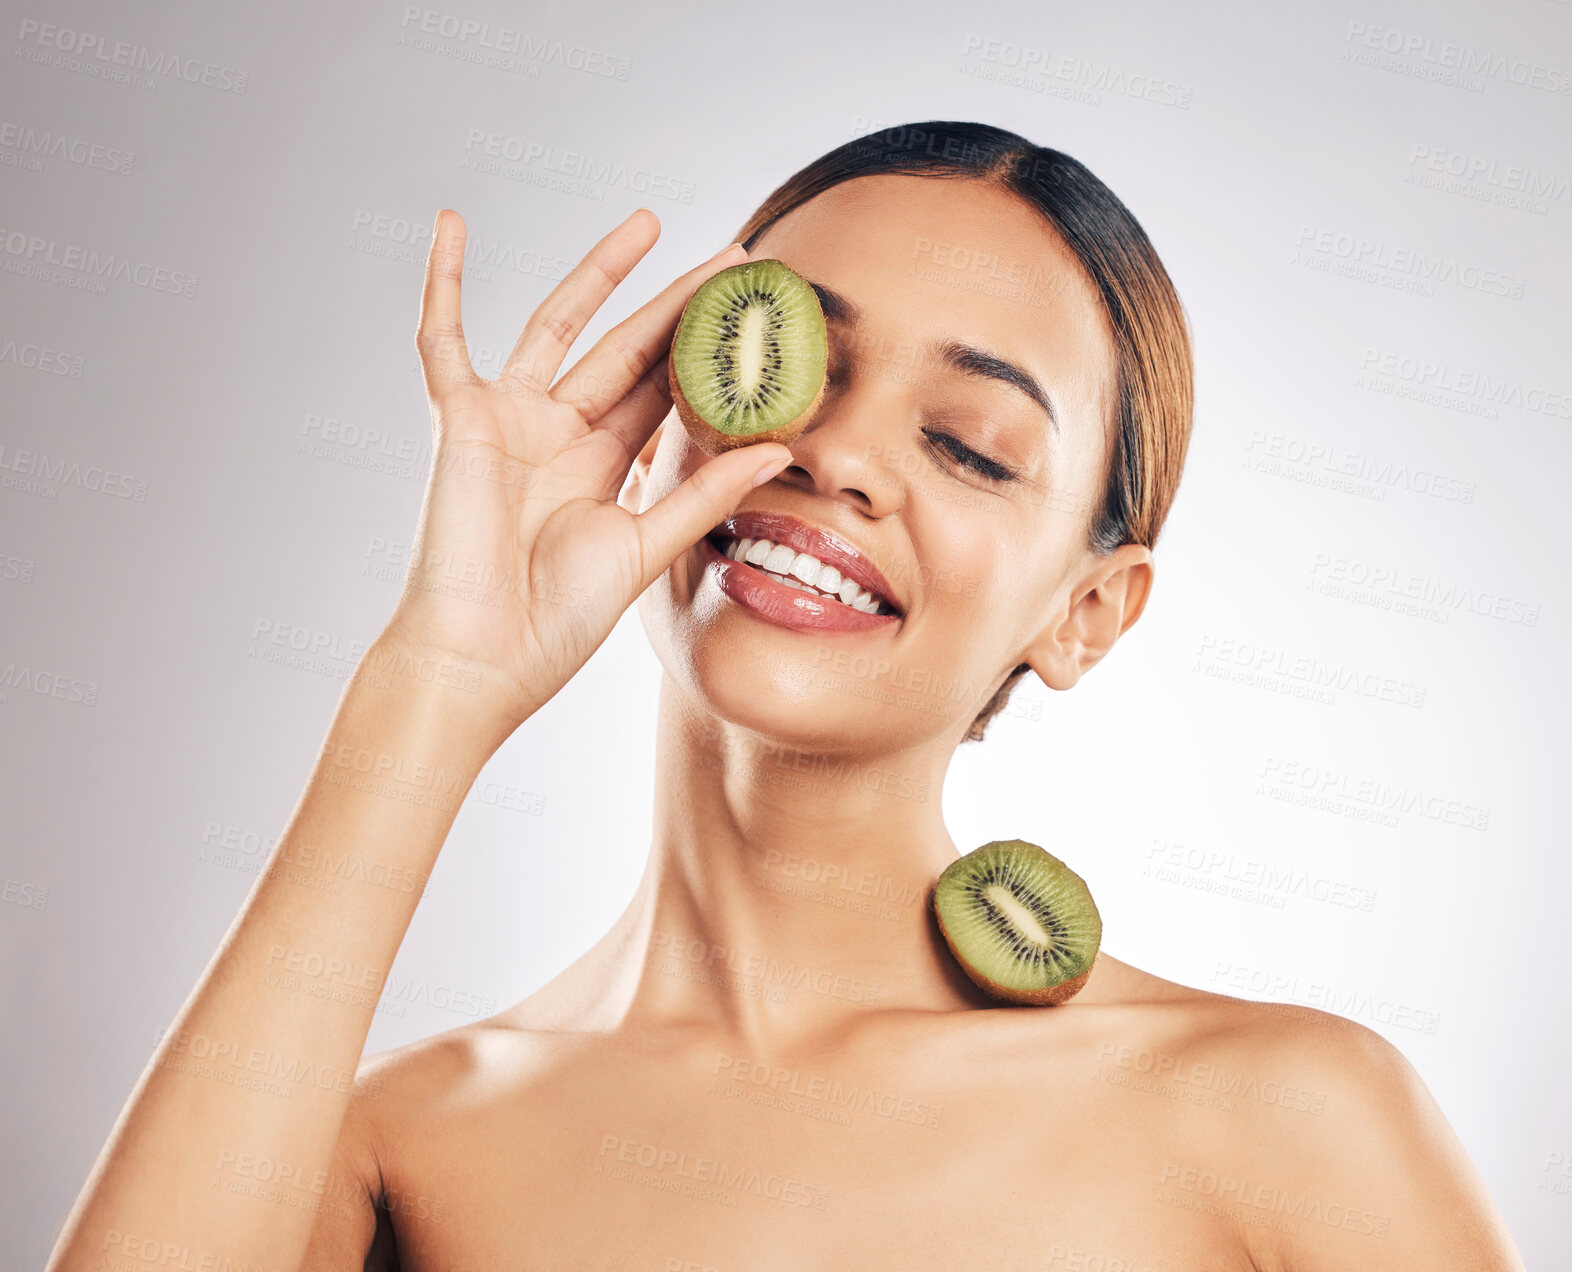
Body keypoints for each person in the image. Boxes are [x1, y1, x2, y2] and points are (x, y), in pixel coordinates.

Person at [48, 121, 1525, 1271]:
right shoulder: (404, 1142)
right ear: (670, 414)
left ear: (1085, 615)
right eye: (795, 358)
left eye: (970, 444)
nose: (839, 454)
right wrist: (432, 688)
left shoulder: (1285, 1114)